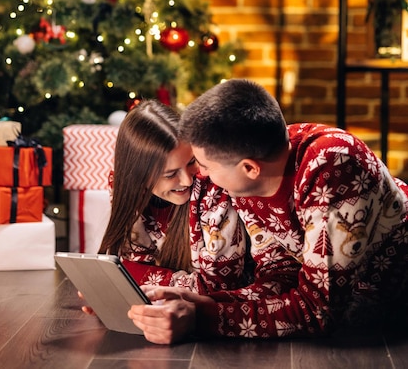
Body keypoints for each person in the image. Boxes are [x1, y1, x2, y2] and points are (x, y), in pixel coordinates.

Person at [129, 79, 408, 344]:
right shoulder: (250, 177)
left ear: (249, 168)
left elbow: (318, 311)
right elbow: (280, 278)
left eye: (204, 165)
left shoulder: (333, 166)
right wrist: (205, 302)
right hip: (361, 314)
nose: (199, 176)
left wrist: (201, 319)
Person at [97, 99, 248, 294]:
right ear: (138, 177)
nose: (186, 181)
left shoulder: (215, 188)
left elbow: (219, 286)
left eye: (192, 161)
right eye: (170, 174)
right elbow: (133, 260)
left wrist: (130, 276)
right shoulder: (124, 186)